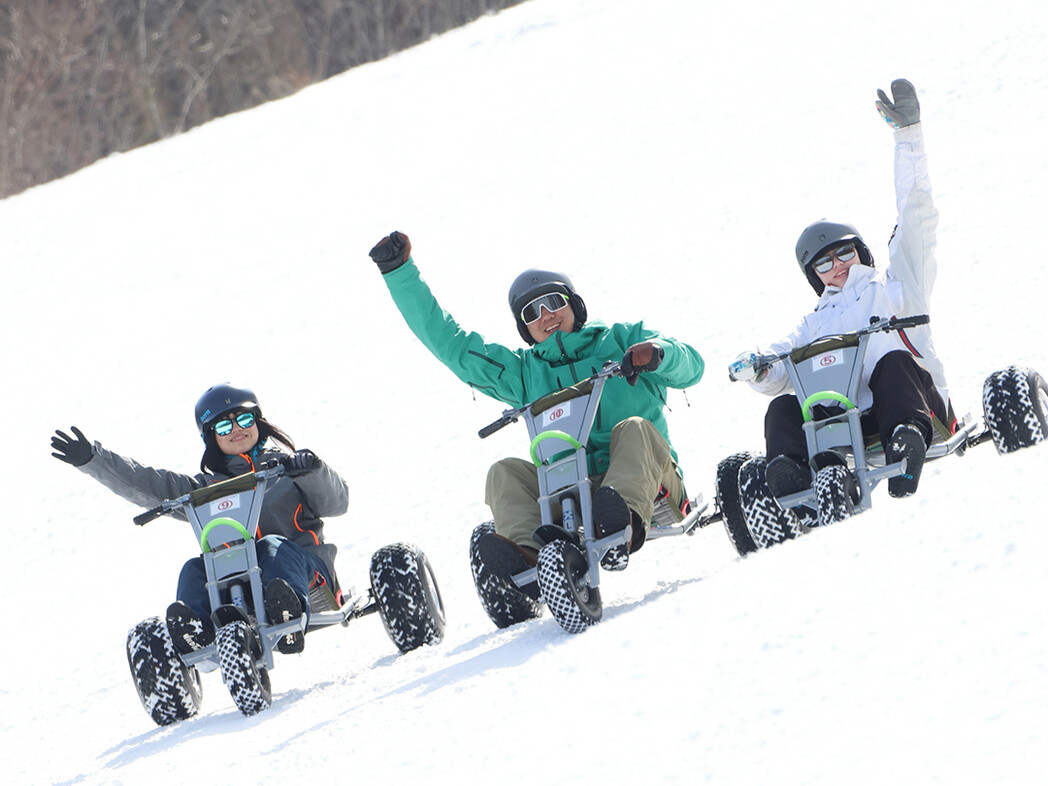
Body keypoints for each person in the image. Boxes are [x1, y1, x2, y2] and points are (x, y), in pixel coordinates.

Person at [367, 231, 704, 600]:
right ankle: (530, 559)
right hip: (573, 497)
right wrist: (399, 273)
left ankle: (620, 518)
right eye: (532, 312)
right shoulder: (525, 373)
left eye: (553, 302)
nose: (546, 315)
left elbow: (691, 367)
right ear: (524, 328)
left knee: (634, 429)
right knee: (504, 472)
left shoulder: (623, 341)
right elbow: (454, 346)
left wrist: (657, 353)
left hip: (651, 482)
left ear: (574, 304)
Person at [728, 78, 952, 506]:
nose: (837, 267)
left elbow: (917, 214)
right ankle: (791, 479)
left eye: (844, 253)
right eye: (824, 263)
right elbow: (780, 364)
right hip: (851, 425)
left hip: (916, 407)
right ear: (815, 276)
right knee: (783, 407)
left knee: (892, 361)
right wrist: (757, 366)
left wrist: (909, 137)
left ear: (861, 253)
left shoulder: (897, 288)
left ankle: (907, 442)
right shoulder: (815, 323)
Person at [50, 384, 349, 655]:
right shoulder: (207, 491)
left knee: (272, 546)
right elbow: (147, 484)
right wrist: (93, 460)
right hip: (241, 591)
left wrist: (313, 471)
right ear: (211, 437)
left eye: (244, 419)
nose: (236, 429)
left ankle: (288, 609)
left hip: (307, 575)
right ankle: (195, 636)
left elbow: (338, 503)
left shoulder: (290, 468)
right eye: (223, 424)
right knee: (195, 569)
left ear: (258, 422)